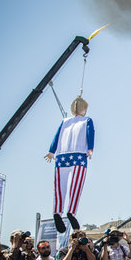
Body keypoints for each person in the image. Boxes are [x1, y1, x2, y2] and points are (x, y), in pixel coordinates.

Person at [45, 96, 95, 232]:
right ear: (84, 108)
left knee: (59, 186)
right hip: (79, 155)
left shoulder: (64, 121)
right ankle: (71, 211)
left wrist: (51, 151)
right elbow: (91, 133)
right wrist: (90, 148)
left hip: (61, 156)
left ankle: (57, 211)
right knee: (76, 185)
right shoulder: (87, 120)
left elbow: (56, 136)